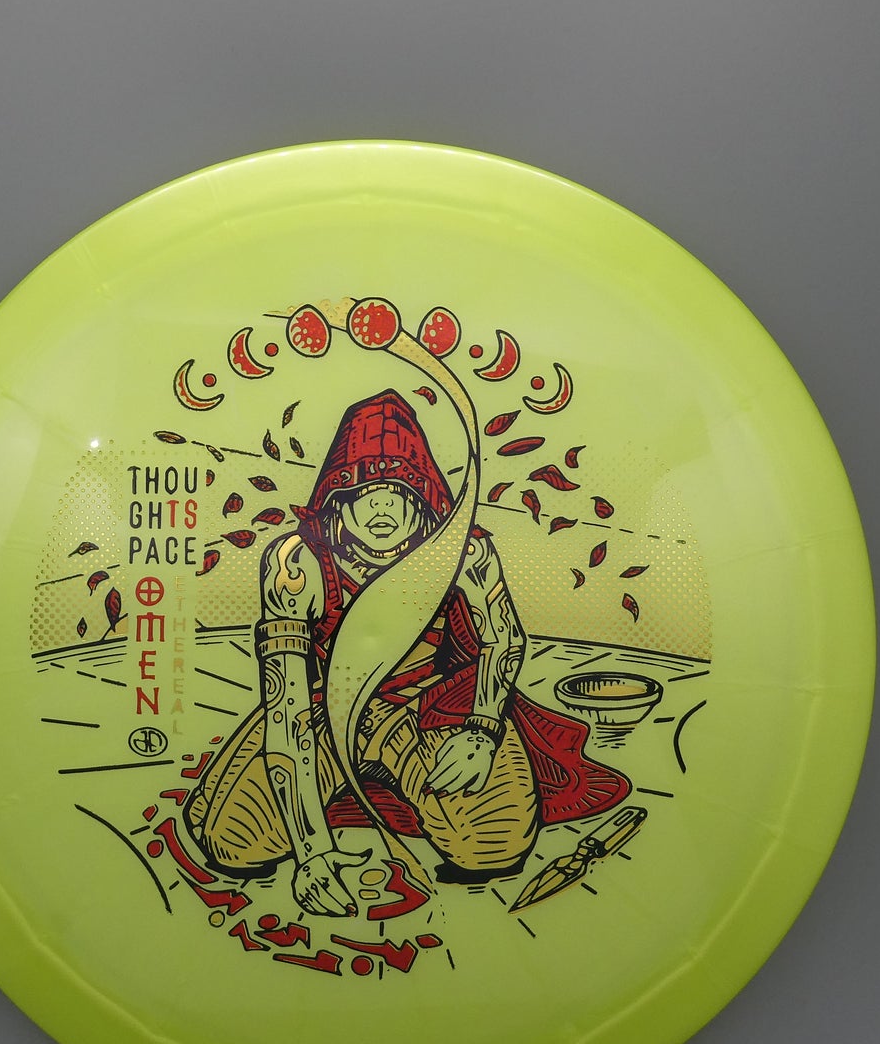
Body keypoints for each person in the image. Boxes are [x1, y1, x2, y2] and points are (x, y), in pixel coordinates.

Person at [185, 389, 630, 917]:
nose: (381, 507)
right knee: (233, 843)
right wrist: (312, 851)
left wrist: (483, 730)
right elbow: (288, 712)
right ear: (337, 496)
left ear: (421, 495)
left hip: (429, 710)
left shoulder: (463, 549)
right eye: (364, 489)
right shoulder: (297, 563)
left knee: (495, 846)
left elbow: (504, 638)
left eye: (397, 488)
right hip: (323, 713)